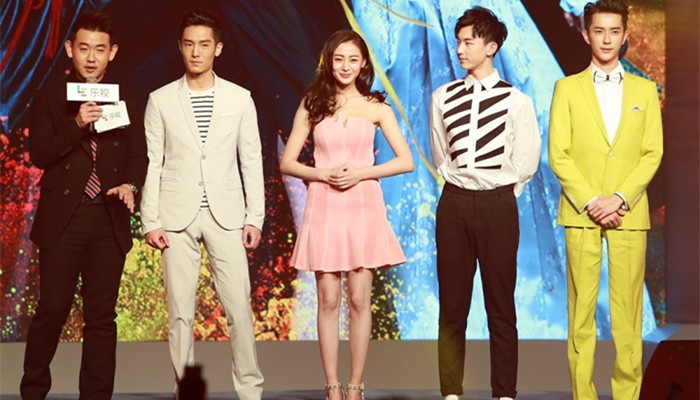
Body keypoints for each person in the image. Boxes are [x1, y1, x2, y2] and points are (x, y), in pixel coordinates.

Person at [279, 29, 414, 400]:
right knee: (327, 300)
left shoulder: (376, 106)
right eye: (339, 59)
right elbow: (288, 162)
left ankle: (355, 385)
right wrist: (323, 174)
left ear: (363, 63)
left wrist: (361, 173)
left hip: (363, 205)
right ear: (328, 61)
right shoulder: (312, 103)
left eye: (353, 59)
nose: (345, 66)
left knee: (358, 299)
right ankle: (332, 387)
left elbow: (406, 161)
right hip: (324, 204)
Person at [20, 11, 148, 400]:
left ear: (113, 52)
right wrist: (77, 124)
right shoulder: (48, 99)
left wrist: (130, 185)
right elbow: (40, 154)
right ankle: (33, 391)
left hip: (108, 219)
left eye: (99, 49)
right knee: (52, 310)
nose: (91, 57)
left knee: (101, 318)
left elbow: (138, 156)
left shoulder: (127, 100)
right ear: (69, 50)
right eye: (84, 48)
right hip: (64, 221)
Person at [139, 9, 265, 400]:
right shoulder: (160, 100)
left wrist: (255, 217)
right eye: (190, 44)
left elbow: (251, 160)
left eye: (204, 44)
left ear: (218, 48)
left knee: (239, 309)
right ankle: (186, 392)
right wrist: (150, 220)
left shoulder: (239, 99)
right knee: (180, 312)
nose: (196, 52)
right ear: (180, 47)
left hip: (227, 214)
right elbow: (153, 162)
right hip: (175, 215)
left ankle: (250, 391)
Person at [548, 1, 663, 398]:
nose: (607, 39)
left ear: (625, 35)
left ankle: (628, 395)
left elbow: (652, 152)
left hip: (628, 212)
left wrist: (618, 198)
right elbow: (558, 154)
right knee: (580, 314)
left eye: (615, 31)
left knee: (628, 315)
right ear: (586, 35)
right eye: (599, 31)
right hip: (581, 213)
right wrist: (590, 201)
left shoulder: (645, 90)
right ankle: (583, 395)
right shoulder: (566, 88)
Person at [429, 6, 541, 400]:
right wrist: (464, 187)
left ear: (491, 47)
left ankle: (504, 393)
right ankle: (450, 392)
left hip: (497, 205)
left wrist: (497, 195)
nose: (460, 49)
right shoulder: (443, 97)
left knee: (501, 306)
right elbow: (440, 153)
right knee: (452, 306)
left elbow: (526, 160)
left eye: (468, 42)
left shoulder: (516, 101)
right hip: (455, 203)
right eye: (458, 41)